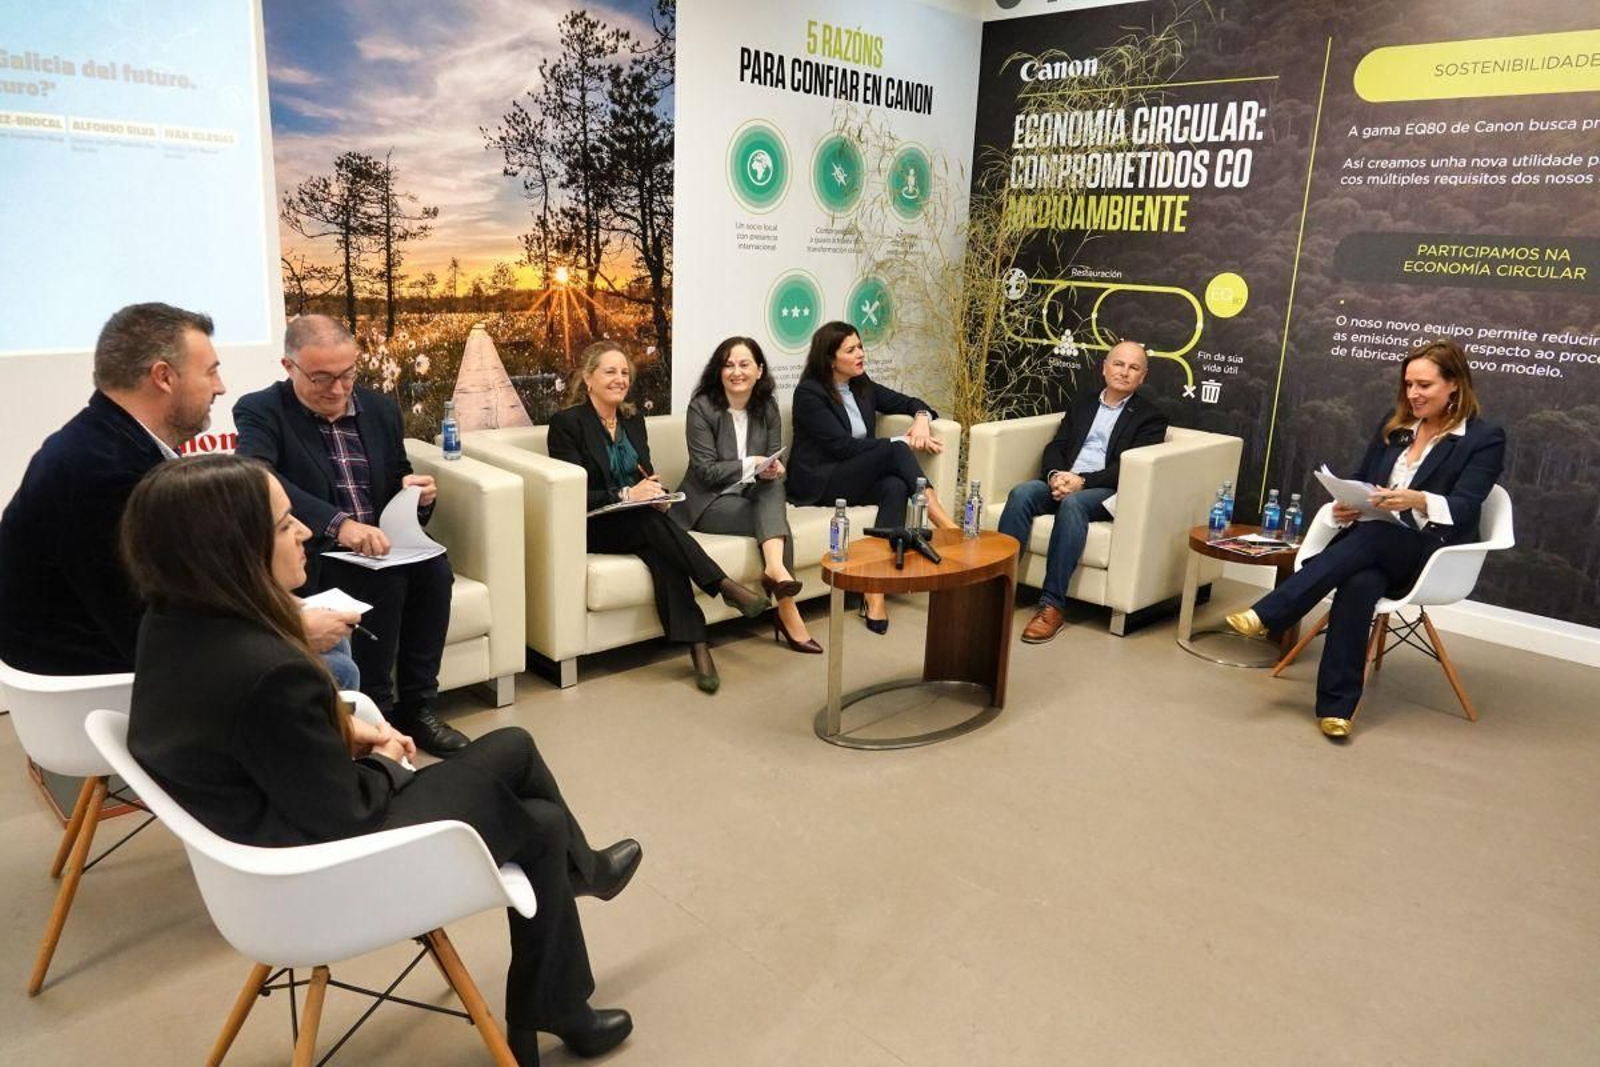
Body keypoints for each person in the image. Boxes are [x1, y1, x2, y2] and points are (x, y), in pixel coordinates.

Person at [119, 455, 639, 1066]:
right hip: (319, 873)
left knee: (527, 785)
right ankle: (563, 961)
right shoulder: (268, 671)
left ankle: (568, 941)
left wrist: (340, 730)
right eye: (287, 525)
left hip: (259, 855)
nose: (305, 532)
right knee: (534, 805)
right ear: (232, 548)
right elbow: (346, 811)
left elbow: (254, 739)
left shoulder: (172, 624)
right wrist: (386, 757)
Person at [0, 303, 365, 682]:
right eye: (210, 372)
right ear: (164, 377)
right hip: (99, 677)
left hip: (114, 647)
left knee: (329, 639)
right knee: (333, 668)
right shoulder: (105, 475)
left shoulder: (113, 443)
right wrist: (284, 630)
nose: (220, 387)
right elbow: (151, 625)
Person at [1226, 339, 1506, 740]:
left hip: (1428, 553)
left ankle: (1272, 612)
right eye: (1409, 384)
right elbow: (1364, 481)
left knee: (1375, 535)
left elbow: (1466, 506)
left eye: (1424, 385)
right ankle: (1336, 709)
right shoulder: (1395, 427)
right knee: (1360, 581)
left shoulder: (1484, 438)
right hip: (1373, 546)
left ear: (1455, 385)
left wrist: (1418, 499)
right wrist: (1349, 505)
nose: (1413, 394)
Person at [234, 315, 462, 756]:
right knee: (384, 581)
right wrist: (339, 524)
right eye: (321, 378)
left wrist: (417, 496)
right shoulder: (261, 410)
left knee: (435, 570)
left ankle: (420, 705)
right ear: (289, 366)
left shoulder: (378, 408)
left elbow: (397, 473)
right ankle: (377, 709)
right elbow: (255, 476)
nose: (337, 389)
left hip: (380, 546)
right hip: (315, 552)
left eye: (347, 375)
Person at [547, 341, 770, 693]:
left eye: (624, 373)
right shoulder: (567, 424)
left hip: (636, 520)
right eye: (610, 371)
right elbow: (568, 492)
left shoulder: (633, 421)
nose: (620, 379)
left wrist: (656, 493)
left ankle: (699, 648)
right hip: (591, 523)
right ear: (588, 378)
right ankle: (722, 585)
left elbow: (644, 473)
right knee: (650, 525)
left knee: (663, 552)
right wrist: (625, 495)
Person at [787, 321, 955, 634]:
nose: (860, 354)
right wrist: (901, 443)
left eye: (861, 346)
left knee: (893, 486)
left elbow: (912, 402)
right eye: (851, 350)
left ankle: (874, 591)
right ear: (830, 359)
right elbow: (842, 447)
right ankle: (947, 527)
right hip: (819, 481)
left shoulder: (861, 384)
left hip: (850, 475)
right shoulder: (809, 394)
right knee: (896, 451)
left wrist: (921, 420)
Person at [998, 341, 1169, 643]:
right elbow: (1057, 445)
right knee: (1022, 493)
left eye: (1133, 368)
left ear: (1143, 376)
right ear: (1104, 367)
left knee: (1074, 504)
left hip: (1104, 490)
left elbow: (1126, 467)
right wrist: (1055, 477)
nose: (1124, 372)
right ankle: (998, 591)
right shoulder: (1083, 404)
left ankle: (1051, 606)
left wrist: (1082, 482)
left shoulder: (1150, 417)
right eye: (1118, 364)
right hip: (1066, 479)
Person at [674, 336, 820, 654]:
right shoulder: (701, 407)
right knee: (778, 529)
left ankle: (774, 571)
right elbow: (705, 471)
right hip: (709, 501)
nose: (736, 372)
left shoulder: (766, 406)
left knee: (773, 488)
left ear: (759, 370)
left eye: (744, 364)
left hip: (754, 492)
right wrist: (750, 464)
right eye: (728, 365)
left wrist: (772, 468)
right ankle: (787, 609)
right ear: (718, 371)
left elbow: (773, 457)